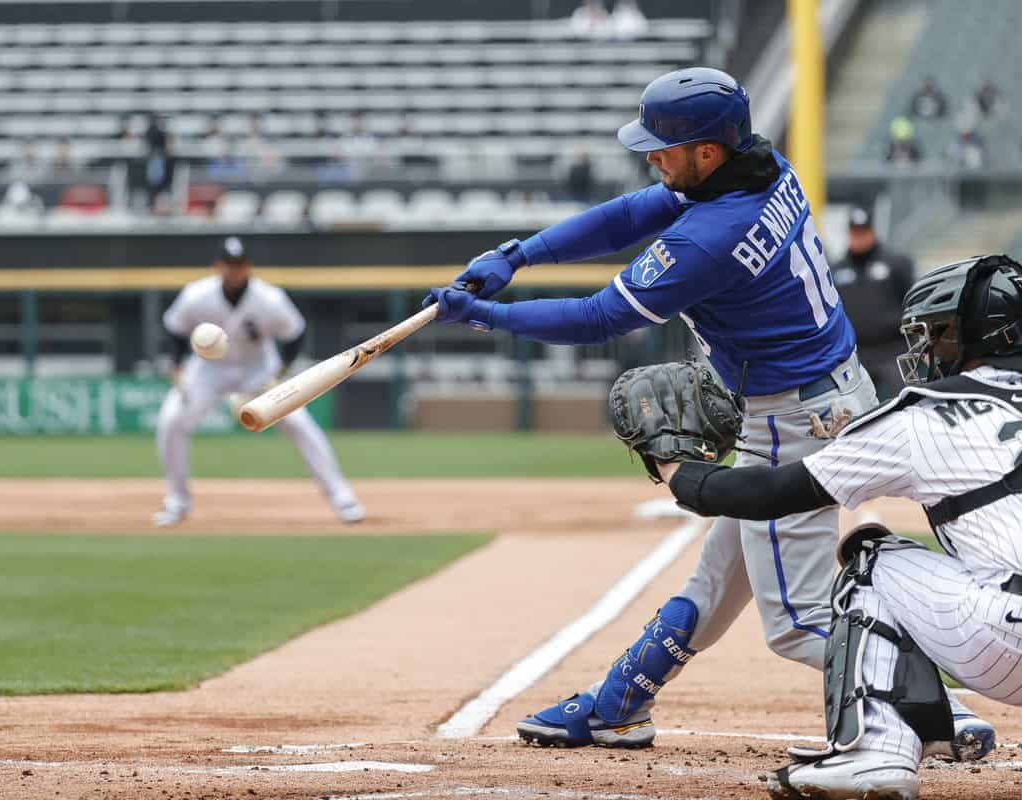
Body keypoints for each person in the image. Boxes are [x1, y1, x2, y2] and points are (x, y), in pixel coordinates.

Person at [424, 66, 993, 757]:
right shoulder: (762, 167)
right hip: (814, 399)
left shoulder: (712, 234)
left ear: (707, 151)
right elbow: (634, 212)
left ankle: (945, 714)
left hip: (795, 420)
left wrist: (486, 316)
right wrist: (520, 254)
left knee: (797, 619)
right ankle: (618, 706)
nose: (652, 158)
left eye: (664, 147)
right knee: (720, 576)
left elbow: (602, 316)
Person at [657, 254, 1022, 800]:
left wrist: (675, 470)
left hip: (1009, 641)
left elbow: (772, 494)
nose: (923, 350)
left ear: (962, 336)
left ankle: (877, 750)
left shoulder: (925, 414)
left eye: (932, 335)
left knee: (871, 558)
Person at [154, 236, 365, 527]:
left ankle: (343, 498)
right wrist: (177, 366)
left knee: (299, 424)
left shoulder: (269, 299)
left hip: (258, 370)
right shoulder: (196, 295)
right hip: (207, 371)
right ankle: (177, 503)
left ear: (248, 266)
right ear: (219, 265)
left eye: (239, 264)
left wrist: (278, 373)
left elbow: (295, 334)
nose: (234, 270)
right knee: (171, 420)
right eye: (229, 264)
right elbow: (175, 329)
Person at [831, 206, 915, 397]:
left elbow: (912, 304)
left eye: (864, 232)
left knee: (905, 400)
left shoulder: (896, 263)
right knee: (852, 408)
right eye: (855, 233)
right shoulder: (836, 270)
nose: (859, 238)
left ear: (873, 232)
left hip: (892, 350)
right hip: (855, 354)